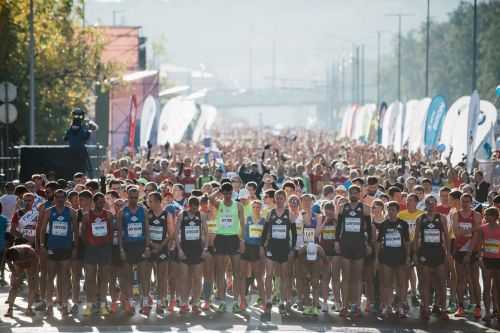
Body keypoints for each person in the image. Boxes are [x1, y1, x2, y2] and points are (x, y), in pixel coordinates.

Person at [39, 189, 78, 316]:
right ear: (54, 198)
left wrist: (75, 247)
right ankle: (49, 304)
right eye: (57, 197)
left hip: (66, 248)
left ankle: (64, 304)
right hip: (52, 248)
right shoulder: (49, 211)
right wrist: (42, 245)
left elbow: (76, 232)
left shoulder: (71, 212)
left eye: (62, 197)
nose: (60, 199)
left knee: (64, 278)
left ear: (65, 198)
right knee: (50, 277)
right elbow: (42, 229)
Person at [335, 185, 372, 318]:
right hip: (345, 245)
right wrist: (337, 242)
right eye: (352, 192)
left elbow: (369, 229)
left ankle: (355, 306)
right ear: (348, 193)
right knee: (345, 277)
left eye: (356, 192)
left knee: (357, 277)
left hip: (359, 246)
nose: (354, 194)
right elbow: (338, 227)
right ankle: (344, 305)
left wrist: (368, 244)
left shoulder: (365, 209)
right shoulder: (342, 208)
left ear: (360, 194)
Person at [208, 182, 245, 313]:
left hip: (234, 238)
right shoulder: (219, 203)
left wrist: (242, 240)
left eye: (230, 193)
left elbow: (243, 223)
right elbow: (210, 198)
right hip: (221, 238)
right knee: (220, 272)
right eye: (226, 193)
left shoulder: (238, 205)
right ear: (223, 193)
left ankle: (236, 301)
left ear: (232, 193)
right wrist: (218, 190)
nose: (228, 196)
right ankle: (222, 301)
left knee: (237, 272)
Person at [414, 195, 449, 320]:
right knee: (425, 282)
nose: (431, 205)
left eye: (433, 203)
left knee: (441, 282)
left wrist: (448, 253)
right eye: (428, 203)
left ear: (436, 204)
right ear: (426, 204)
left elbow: (446, 236)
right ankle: (425, 307)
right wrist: (415, 254)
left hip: (438, 252)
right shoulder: (420, 218)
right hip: (425, 253)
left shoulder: (442, 218)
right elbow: (416, 237)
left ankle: (443, 308)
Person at [117, 185, 151, 315]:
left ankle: (145, 303)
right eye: (131, 197)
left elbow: (147, 230)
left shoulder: (143, 210)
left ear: (139, 197)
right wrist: (121, 249)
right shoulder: (122, 211)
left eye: (136, 197)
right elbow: (120, 233)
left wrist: (147, 246)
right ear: (127, 196)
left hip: (141, 245)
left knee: (144, 276)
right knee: (128, 277)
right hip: (128, 246)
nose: (133, 199)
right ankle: (130, 303)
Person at [262, 190, 297, 316]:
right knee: (269, 274)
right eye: (277, 198)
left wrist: (292, 248)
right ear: (275, 199)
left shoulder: (290, 214)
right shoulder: (270, 213)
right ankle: (268, 300)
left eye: (282, 198)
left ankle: (282, 301)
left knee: (283, 276)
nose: (279, 200)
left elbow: (294, 233)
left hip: (284, 249)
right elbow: (265, 231)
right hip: (271, 247)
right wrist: (263, 246)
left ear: (285, 199)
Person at [81, 192, 114, 316]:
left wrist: (105, 243)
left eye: (103, 202)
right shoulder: (86, 216)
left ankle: (103, 304)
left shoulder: (109, 215)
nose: (102, 204)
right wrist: (90, 243)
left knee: (104, 278)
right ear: (94, 202)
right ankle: (89, 304)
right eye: (99, 202)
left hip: (105, 249)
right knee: (90, 278)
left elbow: (112, 231)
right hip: (91, 250)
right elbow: (82, 233)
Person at [451, 193, 482, 318]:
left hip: (472, 250)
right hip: (459, 250)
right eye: (463, 201)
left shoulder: (477, 215)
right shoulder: (455, 215)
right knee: (461, 279)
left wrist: (469, 252)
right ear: (460, 202)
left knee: (474, 280)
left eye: (467, 201)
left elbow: (477, 236)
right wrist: (472, 229)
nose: (465, 204)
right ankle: (460, 306)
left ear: (471, 202)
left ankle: (478, 306)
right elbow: (456, 233)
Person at [377, 201, 410, 318]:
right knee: (387, 284)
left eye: (393, 210)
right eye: (389, 209)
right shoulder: (383, 224)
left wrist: (408, 257)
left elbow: (407, 242)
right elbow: (378, 242)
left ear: (397, 211)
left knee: (401, 284)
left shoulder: (403, 224)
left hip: (400, 257)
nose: (391, 212)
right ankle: (388, 306)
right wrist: (377, 258)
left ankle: (400, 307)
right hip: (386, 257)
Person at [177, 196, 208, 313]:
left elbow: (206, 232)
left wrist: (205, 248)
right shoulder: (181, 215)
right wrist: (179, 249)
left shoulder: (202, 216)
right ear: (188, 205)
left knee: (197, 278)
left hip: (197, 250)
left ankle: (195, 303)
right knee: (184, 278)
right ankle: (184, 303)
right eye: (192, 207)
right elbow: (176, 234)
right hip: (185, 249)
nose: (194, 209)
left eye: (196, 206)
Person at [145, 191, 172, 315]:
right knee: (146, 277)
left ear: (157, 201)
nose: (148, 203)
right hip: (150, 248)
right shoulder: (147, 213)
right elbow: (145, 232)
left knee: (162, 278)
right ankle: (146, 303)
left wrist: (160, 246)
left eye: (150, 201)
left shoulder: (167, 214)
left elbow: (170, 233)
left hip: (162, 249)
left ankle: (160, 303)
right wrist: (151, 244)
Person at [239, 199, 266, 311]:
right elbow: (242, 234)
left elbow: (265, 237)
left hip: (257, 249)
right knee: (243, 276)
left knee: (259, 277)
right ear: (251, 208)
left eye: (258, 207)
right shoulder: (247, 219)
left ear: (261, 208)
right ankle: (243, 301)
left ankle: (264, 301)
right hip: (247, 248)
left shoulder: (264, 221)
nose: (256, 209)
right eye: (254, 207)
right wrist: (242, 243)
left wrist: (262, 247)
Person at [477, 207, 500, 323]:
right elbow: (479, 245)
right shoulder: (482, 228)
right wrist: (480, 258)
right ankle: (487, 312)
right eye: (486, 215)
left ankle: (497, 310)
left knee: (497, 287)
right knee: (486, 287)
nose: (487, 217)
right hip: (487, 260)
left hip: (498, 260)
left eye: (489, 215)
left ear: (496, 216)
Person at [4, 244, 38, 317]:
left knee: (32, 286)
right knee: (14, 286)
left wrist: (32, 275)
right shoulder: (9, 253)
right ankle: (10, 309)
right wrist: (14, 273)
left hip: (31, 262)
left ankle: (29, 309)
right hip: (18, 264)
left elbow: (34, 265)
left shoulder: (30, 252)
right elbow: (10, 265)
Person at [319, 201, 340, 313]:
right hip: (325, 252)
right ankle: (325, 303)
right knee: (325, 279)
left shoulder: (337, 220)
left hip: (335, 252)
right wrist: (325, 222)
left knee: (336, 278)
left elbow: (341, 234)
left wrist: (336, 222)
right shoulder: (321, 219)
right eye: (326, 209)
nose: (329, 211)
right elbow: (317, 234)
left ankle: (337, 302)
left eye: (331, 209)